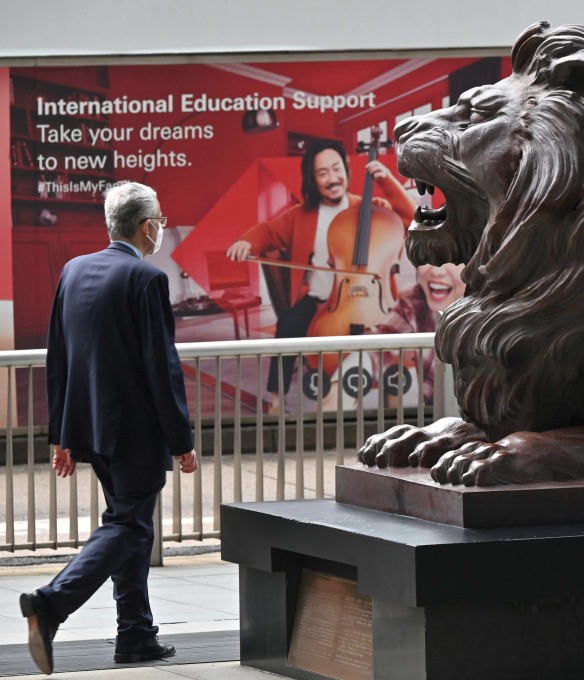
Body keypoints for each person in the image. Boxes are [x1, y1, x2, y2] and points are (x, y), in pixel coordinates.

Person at [20, 181, 198, 675]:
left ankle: (136, 635)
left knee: (130, 526)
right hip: (135, 432)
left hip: (88, 428)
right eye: (160, 220)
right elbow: (161, 368)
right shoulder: (146, 279)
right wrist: (181, 441)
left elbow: (60, 357)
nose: (161, 227)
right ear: (146, 227)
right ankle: (50, 604)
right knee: (128, 526)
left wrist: (62, 435)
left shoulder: (74, 270)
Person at [225, 138, 416, 408]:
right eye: (322, 173)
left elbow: (412, 219)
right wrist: (247, 241)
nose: (332, 178)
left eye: (336, 169)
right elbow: (267, 231)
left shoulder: (372, 208)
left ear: (347, 170)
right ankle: (275, 401)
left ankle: (392, 408)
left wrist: (387, 181)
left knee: (395, 349)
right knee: (287, 326)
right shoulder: (300, 216)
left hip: (371, 300)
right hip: (319, 303)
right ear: (312, 179)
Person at [368, 262, 466, 406]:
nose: (437, 272)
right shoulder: (414, 301)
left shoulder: (495, 315)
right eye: (427, 256)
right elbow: (377, 351)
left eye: (453, 260)